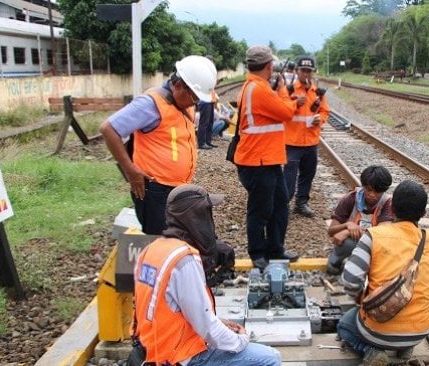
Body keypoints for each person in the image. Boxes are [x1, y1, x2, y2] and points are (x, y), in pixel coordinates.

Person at [132, 184, 281, 366]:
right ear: (196, 217)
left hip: (152, 349)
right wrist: (240, 341)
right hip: (178, 357)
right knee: (269, 358)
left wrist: (218, 321)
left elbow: (170, 308)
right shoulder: (184, 259)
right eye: (208, 212)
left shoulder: (151, 249)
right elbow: (207, 327)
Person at [100, 55, 217, 235]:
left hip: (177, 187)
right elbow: (109, 129)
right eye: (194, 97)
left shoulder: (185, 102)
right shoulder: (150, 104)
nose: (196, 102)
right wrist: (130, 169)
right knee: (158, 239)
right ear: (178, 86)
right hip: (155, 190)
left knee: (174, 237)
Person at [338, 180, 429, 366]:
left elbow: (350, 280)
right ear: (424, 213)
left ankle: (372, 351)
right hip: (421, 330)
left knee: (345, 325)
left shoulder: (374, 235)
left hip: (378, 332)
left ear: (391, 208)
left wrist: (363, 301)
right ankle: (404, 349)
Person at [232, 45, 299, 270]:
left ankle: (275, 249)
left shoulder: (254, 86)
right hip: (257, 161)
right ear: (269, 66)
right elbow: (287, 112)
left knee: (280, 205)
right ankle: (258, 253)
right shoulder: (258, 89)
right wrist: (282, 89)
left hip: (267, 160)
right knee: (260, 210)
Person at [283, 55, 330, 217]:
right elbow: (280, 111)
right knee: (288, 175)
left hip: (310, 142)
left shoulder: (317, 92)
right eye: (303, 70)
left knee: (308, 174)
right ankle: (284, 204)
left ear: (313, 72)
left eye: (309, 71)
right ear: (296, 71)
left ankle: (301, 203)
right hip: (292, 142)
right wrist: (295, 104)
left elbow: (325, 110)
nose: (306, 74)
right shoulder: (288, 91)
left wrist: (320, 119)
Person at [326, 165, 393, 275]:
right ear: (363, 186)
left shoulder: (387, 203)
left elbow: (382, 236)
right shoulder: (350, 199)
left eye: (377, 192)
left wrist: (348, 231)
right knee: (346, 245)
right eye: (369, 190)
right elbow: (331, 231)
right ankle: (339, 261)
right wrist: (346, 225)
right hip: (354, 243)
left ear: (383, 191)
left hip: (375, 246)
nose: (372, 195)